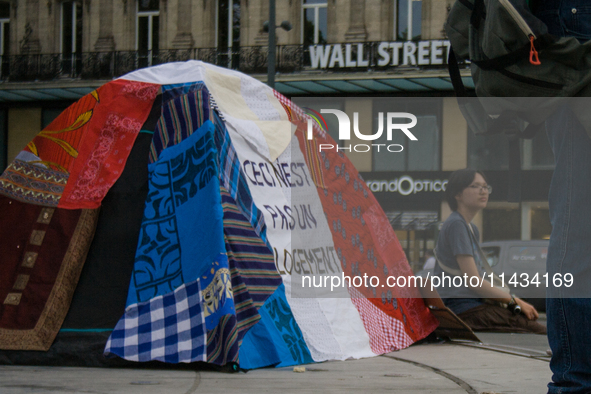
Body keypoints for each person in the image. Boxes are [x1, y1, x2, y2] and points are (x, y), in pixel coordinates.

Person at [531, 3, 591, 392]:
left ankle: (575, 381)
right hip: (576, 52)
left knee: (576, 227)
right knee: (576, 227)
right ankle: (574, 382)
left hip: (572, 42)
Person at [433, 168, 546, 334]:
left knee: (529, 323)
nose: (483, 191)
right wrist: (516, 301)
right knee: (535, 329)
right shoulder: (457, 225)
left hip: (471, 305)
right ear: (457, 194)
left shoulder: (470, 228)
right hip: (461, 309)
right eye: (475, 186)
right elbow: (474, 281)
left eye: (485, 187)